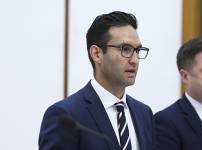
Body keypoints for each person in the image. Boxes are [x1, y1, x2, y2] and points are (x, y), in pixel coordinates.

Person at [39, 11, 154, 150]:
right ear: (97, 54)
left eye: (138, 50)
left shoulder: (144, 113)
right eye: (125, 49)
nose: (135, 60)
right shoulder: (66, 115)